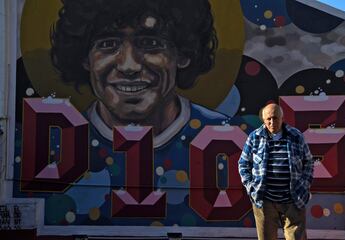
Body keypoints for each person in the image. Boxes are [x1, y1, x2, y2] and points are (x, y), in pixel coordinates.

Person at [50, 0, 224, 147]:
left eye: (150, 42)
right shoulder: (57, 146)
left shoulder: (228, 137)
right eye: (108, 44)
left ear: (183, 54)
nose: (129, 66)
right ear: (84, 58)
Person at [238, 103, 314, 240]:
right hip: (265, 201)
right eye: (268, 119)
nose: (272, 122)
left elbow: (308, 162)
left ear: (282, 118)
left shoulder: (295, 136)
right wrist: (251, 187)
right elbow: (243, 163)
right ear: (263, 119)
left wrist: (304, 185)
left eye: (275, 118)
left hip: (293, 199)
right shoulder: (254, 137)